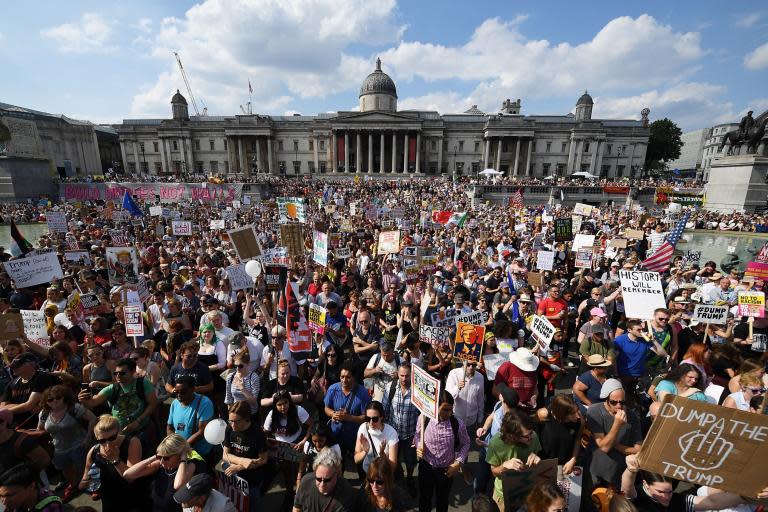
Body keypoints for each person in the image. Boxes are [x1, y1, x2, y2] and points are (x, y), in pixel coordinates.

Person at [621, 453, 768, 511]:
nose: (666, 497)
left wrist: (750, 494)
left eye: (669, 491)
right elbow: (627, 488)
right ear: (646, 485)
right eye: (660, 492)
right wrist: (631, 470)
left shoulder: (678, 501)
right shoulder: (637, 497)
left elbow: (713, 502)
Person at [413, 391, 471, 512]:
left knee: (442, 500)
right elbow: (417, 435)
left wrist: (458, 463)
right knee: (424, 498)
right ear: (436, 407)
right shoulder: (424, 418)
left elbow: (466, 443)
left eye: (451, 409)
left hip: (446, 470)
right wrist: (419, 445)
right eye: (445, 410)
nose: (449, 413)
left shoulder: (458, 424)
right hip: (426, 466)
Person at [36, 384, 96, 501]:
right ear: (46, 401)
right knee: (66, 470)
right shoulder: (44, 414)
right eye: (50, 399)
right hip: (58, 448)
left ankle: (92, 487)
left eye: (58, 397)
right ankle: (74, 486)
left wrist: (88, 437)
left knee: (85, 467)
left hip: (78, 445)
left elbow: (93, 418)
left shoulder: (74, 408)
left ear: (64, 397)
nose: (54, 401)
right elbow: (40, 430)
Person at [78, 358, 158, 445]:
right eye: (116, 373)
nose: (118, 376)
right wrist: (83, 399)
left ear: (133, 371)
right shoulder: (112, 388)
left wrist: (137, 421)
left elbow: (153, 403)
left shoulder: (143, 383)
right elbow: (92, 403)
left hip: (142, 430)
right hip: (120, 434)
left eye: (122, 373)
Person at [79, 414, 147, 512]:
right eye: (102, 440)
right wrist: (87, 482)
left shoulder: (132, 443)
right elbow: (83, 483)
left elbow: (131, 478)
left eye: (112, 438)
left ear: (119, 432)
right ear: (97, 438)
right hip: (109, 500)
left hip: (133, 499)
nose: (108, 443)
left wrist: (115, 459)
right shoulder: (94, 451)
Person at [123, 433, 206, 512]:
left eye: (166, 458)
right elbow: (128, 474)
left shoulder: (191, 464)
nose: (162, 461)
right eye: (160, 457)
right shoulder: (160, 464)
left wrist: (183, 458)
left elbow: (178, 485)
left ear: (179, 454)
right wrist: (155, 457)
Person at [586, 379, 642, 488]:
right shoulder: (594, 411)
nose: (619, 406)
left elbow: (638, 449)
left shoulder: (632, 416)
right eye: (613, 402)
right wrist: (617, 424)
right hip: (594, 469)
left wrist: (614, 444)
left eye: (622, 402)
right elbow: (604, 448)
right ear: (606, 400)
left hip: (616, 472)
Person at [485, 409, 542, 511]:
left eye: (531, 433)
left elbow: (537, 461)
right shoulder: (495, 444)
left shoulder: (533, 436)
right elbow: (494, 472)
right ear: (512, 435)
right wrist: (504, 466)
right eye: (526, 436)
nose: (531, 438)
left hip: (528, 491)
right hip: (504, 494)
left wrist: (537, 459)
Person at [264, 389, 313, 499]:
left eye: (285, 403)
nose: (283, 407)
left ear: (289, 401)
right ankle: (289, 492)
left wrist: (304, 440)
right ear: (275, 405)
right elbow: (265, 432)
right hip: (280, 446)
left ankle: (301, 492)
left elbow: (311, 425)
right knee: (285, 471)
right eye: (279, 404)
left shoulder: (298, 410)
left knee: (299, 471)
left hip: (297, 442)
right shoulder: (271, 415)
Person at [222, 401, 269, 511]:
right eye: (230, 420)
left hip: (252, 481)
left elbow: (263, 459)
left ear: (246, 418)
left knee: (252, 507)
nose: (233, 425)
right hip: (234, 478)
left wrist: (239, 466)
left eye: (236, 421)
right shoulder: (229, 428)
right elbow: (225, 455)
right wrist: (243, 461)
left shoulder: (257, 433)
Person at [380, 363, 419, 493]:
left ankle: (409, 478)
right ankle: (397, 479)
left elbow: (422, 415)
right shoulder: (390, 387)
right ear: (397, 374)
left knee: (410, 461)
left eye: (407, 376)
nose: (404, 378)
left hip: (411, 435)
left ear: (411, 375)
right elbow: (384, 410)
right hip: (393, 435)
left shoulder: (418, 390)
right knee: (393, 461)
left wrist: (419, 435)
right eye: (401, 375)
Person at [474, 387, 519, 496]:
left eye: (501, 395)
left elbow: (508, 445)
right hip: (487, 450)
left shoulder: (513, 421)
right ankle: (478, 497)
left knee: (496, 480)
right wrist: (484, 428)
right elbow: (491, 417)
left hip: (499, 456)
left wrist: (487, 444)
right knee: (481, 478)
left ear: (504, 400)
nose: (499, 395)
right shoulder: (499, 405)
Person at [292, 447, 360, 512]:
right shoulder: (306, 481)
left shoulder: (346, 492)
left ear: (336, 474)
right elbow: (297, 508)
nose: (322, 485)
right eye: (318, 479)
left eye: (327, 480)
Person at [323, 361, 371, 453]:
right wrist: (333, 414)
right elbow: (326, 408)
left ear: (354, 377)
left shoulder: (363, 393)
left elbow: (366, 418)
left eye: (348, 377)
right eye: (342, 377)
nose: (344, 380)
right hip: (335, 433)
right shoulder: (333, 389)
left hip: (355, 436)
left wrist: (348, 418)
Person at [1, 352, 60, 425]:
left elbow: (29, 406)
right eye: (12, 366)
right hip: (17, 425)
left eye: (18, 366)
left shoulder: (42, 377)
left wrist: (8, 409)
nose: (13, 368)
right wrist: (21, 406)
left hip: (38, 425)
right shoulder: (12, 383)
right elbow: (2, 406)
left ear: (32, 364)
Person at [613, 319, 668, 393]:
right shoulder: (620, 340)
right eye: (638, 330)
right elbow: (614, 359)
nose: (641, 331)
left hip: (640, 376)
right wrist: (616, 375)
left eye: (642, 329)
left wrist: (654, 340)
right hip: (624, 375)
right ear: (629, 330)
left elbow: (663, 354)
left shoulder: (644, 340)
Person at [167, 375, 215, 459]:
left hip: (198, 453)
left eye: (182, 392)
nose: (178, 395)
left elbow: (202, 431)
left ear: (193, 389)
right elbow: (170, 427)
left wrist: (181, 447)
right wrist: (172, 444)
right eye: (176, 392)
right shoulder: (175, 403)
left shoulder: (204, 403)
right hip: (179, 451)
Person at [538, 395, 583, 475]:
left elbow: (578, 439)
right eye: (572, 414)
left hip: (566, 462)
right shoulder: (544, 414)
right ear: (562, 414)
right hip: (547, 461)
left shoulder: (579, 420)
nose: (577, 416)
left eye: (577, 410)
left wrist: (573, 459)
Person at [354, 401, 398, 473]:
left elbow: (393, 467)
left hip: (384, 473)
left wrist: (382, 454)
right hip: (369, 471)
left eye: (375, 419)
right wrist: (365, 451)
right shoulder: (363, 428)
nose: (371, 423)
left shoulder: (391, 433)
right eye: (368, 419)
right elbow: (356, 459)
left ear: (381, 417)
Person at [493, 348, 540, 412]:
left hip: (526, 410)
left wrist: (534, 397)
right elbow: (495, 390)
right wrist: (512, 402)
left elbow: (535, 388)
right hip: (508, 409)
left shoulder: (533, 370)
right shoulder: (506, 367)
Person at [445, 360, 485, 429]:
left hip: (471, 421)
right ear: (463, 362)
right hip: (456, 420)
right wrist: (457, 388)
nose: (471, 367)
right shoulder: (454, 374)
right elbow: (447, 398)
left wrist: (480, 419)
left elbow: (480, 399)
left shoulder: (480, 377)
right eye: (468, 364)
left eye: (474, 365)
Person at [224, 350, 260, 416]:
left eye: (240, 366)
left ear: (248, 364)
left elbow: (254, 401)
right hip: (236, 413)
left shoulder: (253, 377)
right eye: (235, 366)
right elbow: (228, 399)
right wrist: (231, 415)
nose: (237, 369)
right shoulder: (230, 377)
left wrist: (242, 388)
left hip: (250, 414)